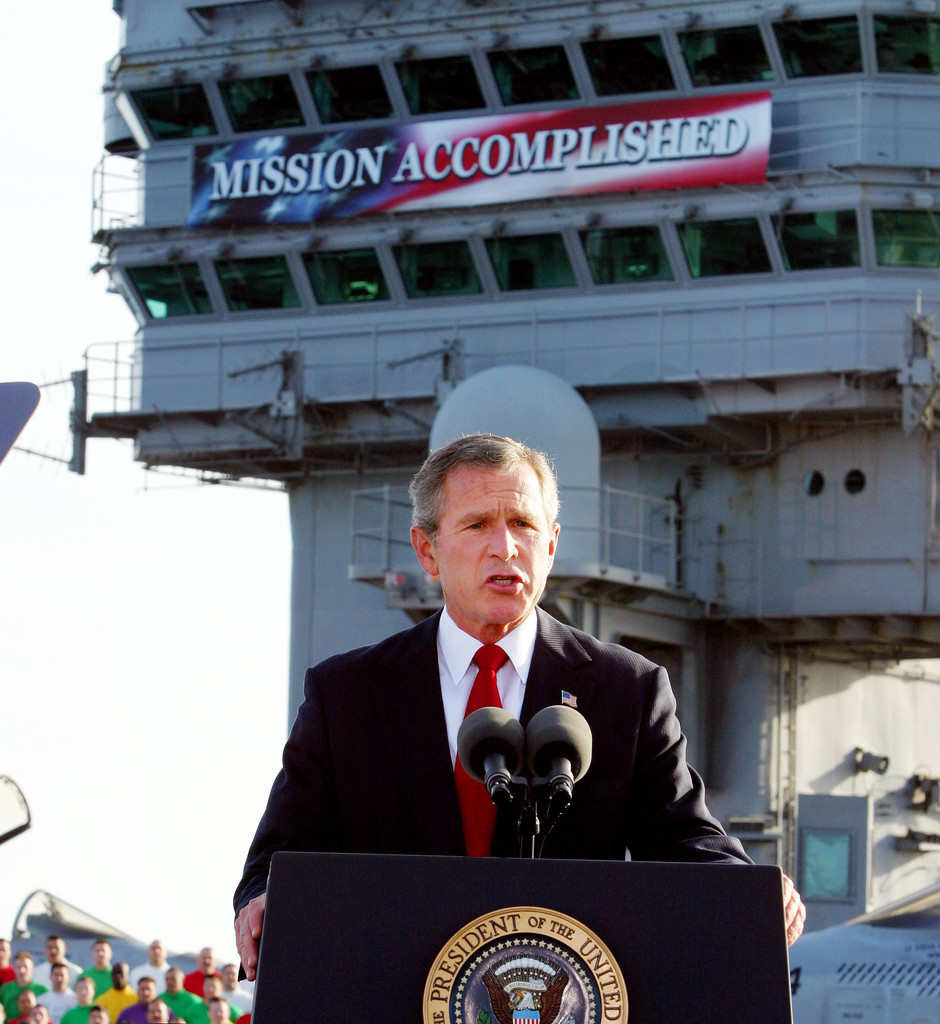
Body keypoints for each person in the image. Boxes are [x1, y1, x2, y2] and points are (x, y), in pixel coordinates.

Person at [233, 433, 806, 980]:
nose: (505, 547)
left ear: (550, 546)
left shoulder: (625, 690)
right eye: (477, 524)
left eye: (523, 525)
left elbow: (684, 838)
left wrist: (750, 890)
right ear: (427, 550)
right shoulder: (348, 695)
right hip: (392, 988)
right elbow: (279, 856)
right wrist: (260, 900)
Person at [1, 954, 47, 1019]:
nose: (22, 970)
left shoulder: (43, 990)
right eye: (18, 967)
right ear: (14, 968)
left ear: (33, 968)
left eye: (25, 967)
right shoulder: (5, 989)